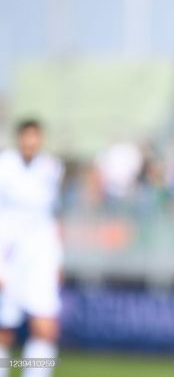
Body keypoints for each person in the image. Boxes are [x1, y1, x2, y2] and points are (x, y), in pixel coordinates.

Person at [0, 120, 63, 377]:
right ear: (19, 138)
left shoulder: (51, 168)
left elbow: (51, 217)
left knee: (45, 326)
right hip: (8, 253)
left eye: (35, 136)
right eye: (26, 136)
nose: (30, 142)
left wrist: (57, 259)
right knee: (5, 328)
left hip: (40, 255)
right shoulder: (4, 165)